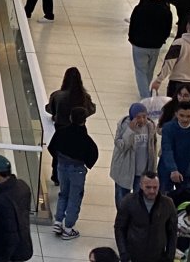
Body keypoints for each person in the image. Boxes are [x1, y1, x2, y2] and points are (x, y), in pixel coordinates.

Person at [49, 106, 99, 240]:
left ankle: (58, 221)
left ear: (70, 117)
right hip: (77, 170)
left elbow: (52, 147)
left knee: (63, 193)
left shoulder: (61, 132)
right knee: (74, 197)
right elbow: (93, 154)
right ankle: (68, 228)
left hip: (61, 166)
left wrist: (59, 158)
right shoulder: (86, 139)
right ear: (84, 120)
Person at [114, 172, 177, 262]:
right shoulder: (129, 201)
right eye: (148, 187)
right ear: (141, 185)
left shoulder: (168, 204)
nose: (152, 191)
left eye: (155, 187)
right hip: (133, 256)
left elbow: (172, 232)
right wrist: (124, 254)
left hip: (158, 257)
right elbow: (119, 228)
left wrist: (169, 257)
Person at [0, 156, 32, 262]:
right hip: (24, 241)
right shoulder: (23, 186)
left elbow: (5, 233)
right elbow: (11, 196)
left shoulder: (2, 201)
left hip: (7, 251)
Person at [153, 15, 190, 101]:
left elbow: (169, 63)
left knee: (173, 109)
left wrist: (159, 80)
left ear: (187, 26)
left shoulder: (178, 43)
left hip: (176, 83)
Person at [129, 0, 174, 98]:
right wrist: (162, 40)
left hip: (139, 44)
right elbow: (167, 29)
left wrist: (132, 38)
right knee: (150, 70)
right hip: (155, 45)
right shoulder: (166, 11)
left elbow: (133, 24)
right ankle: (146, 91)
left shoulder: (140, 8)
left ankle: (145, 96)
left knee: (140, 70)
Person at [111, 103, 159, 204]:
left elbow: (153, 149)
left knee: (139, 202)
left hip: (142, 172)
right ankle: (122, 219)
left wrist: (152, 170)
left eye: (144, 116)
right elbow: (122, 146)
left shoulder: (150, 127)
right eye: (138, 117)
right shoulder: (124, 126)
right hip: (125, 171)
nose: (141, 120)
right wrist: (130, 131)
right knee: (122, 200)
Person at [158, 101, 190, 196]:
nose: (185, 119)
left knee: (187, 199)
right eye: (181, 115)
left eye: (188, 116)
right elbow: (167, 149)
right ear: (176, 114)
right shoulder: (168, 128)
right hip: (167, 170)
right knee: (164, 200)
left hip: (187, 171)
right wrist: (173, 169)